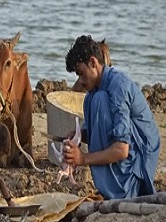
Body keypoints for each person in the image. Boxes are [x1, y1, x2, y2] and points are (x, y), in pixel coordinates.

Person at [63, 35, 160, 199]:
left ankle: (121, 190)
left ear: (93, 63)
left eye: (81, 73)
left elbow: (122, 150)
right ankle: (111, 187)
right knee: (92, 99)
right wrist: (78, 136)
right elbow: (98, 129)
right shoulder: (94, 93)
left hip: (138, 163)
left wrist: (83, 158)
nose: (79, 81)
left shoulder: (118, 85)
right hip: (127, 152)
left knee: (98, 99)